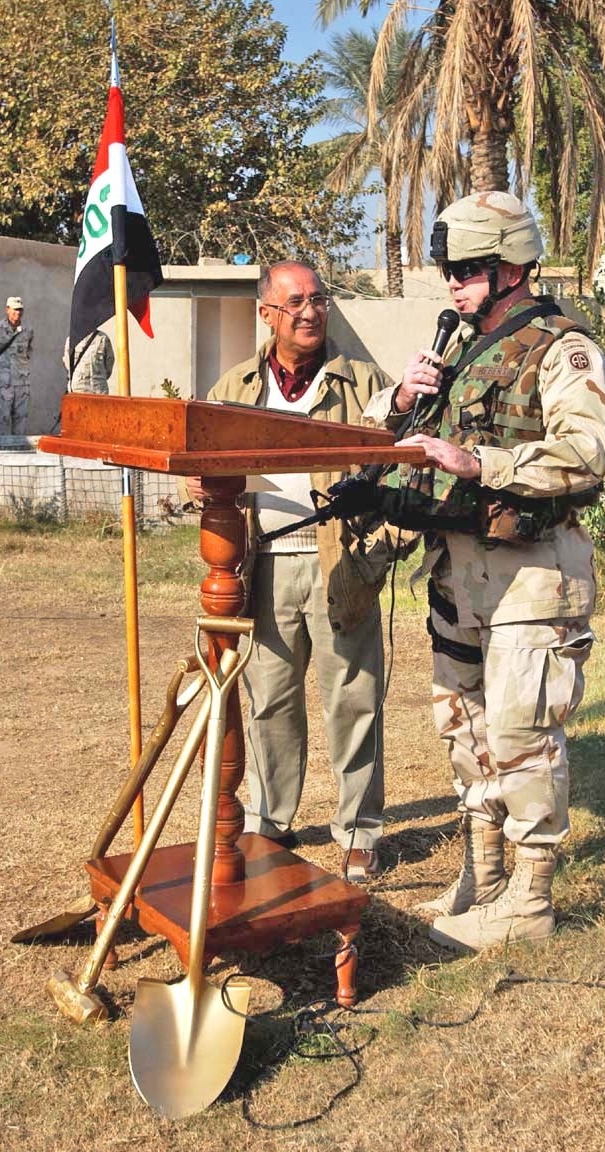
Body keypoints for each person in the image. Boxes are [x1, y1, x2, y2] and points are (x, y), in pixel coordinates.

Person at [364, 192, 605, 948]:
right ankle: (486, 875)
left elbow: (586, 451)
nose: (454, 283)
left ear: (513, 265)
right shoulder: (461, 346)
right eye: (449, 269)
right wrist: (402, 399)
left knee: (521, 733)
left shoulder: (563, 347)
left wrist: (482, 461)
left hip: (533, 574)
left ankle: (532, 905)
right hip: (458, 571)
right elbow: (398, 435)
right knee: (463, 726)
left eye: (469, 268)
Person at [186, 260, 396, 882]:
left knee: (352, 700)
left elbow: (402, 463)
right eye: (296, 301)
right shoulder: (235, 387)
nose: (311, 311)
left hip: (342, 564)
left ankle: (359, 832)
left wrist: (382, 545)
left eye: (319, 299)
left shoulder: (362, 382)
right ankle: (271, 823)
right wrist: (199, 489)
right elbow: (198, 474)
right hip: (262, 566)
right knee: (268, 702)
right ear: (267, 314)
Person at [0, 296, 34, 437]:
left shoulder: (27, 330)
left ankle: (18, 453)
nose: (18, 313)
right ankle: (2, 453)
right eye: (15, 310)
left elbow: (28, 351)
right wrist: (1, 365)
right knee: (2, 420)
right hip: (3, 384)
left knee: (21, 420)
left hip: (22, 384)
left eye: (20, 310)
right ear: (7, 310)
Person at [63, 329, 115, 393]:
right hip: (78, 388)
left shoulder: (103, 338)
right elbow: (67, 362)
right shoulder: (72, 339)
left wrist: (99, 376)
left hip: (99, 389)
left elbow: (109, 362)